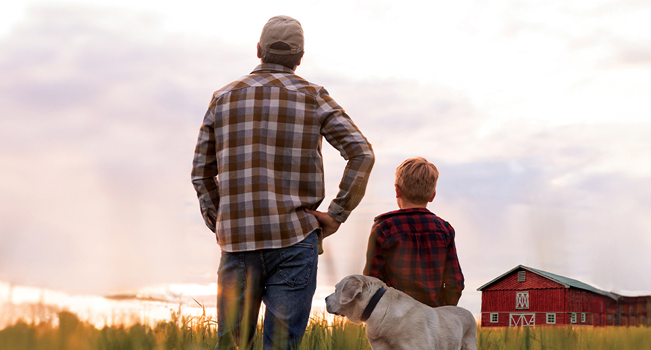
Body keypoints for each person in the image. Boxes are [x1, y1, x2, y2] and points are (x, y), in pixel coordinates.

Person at [191, 15, 374, 350]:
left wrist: (222, 221)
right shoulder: (314, 96)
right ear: (300, 57)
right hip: (295, 242)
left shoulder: (223, 98)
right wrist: (336, 214)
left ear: (258, 50)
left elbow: (201, 172)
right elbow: (361, 153)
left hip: (237, 243)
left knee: (232, 346)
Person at [363, 157, 464, 307]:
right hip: (432, 319)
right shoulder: (444, 230)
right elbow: (455, 282)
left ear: (397, 190)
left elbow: (372, 281)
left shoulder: (383, 227)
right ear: (433, 195)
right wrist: (442, 312)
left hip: (393, 318)